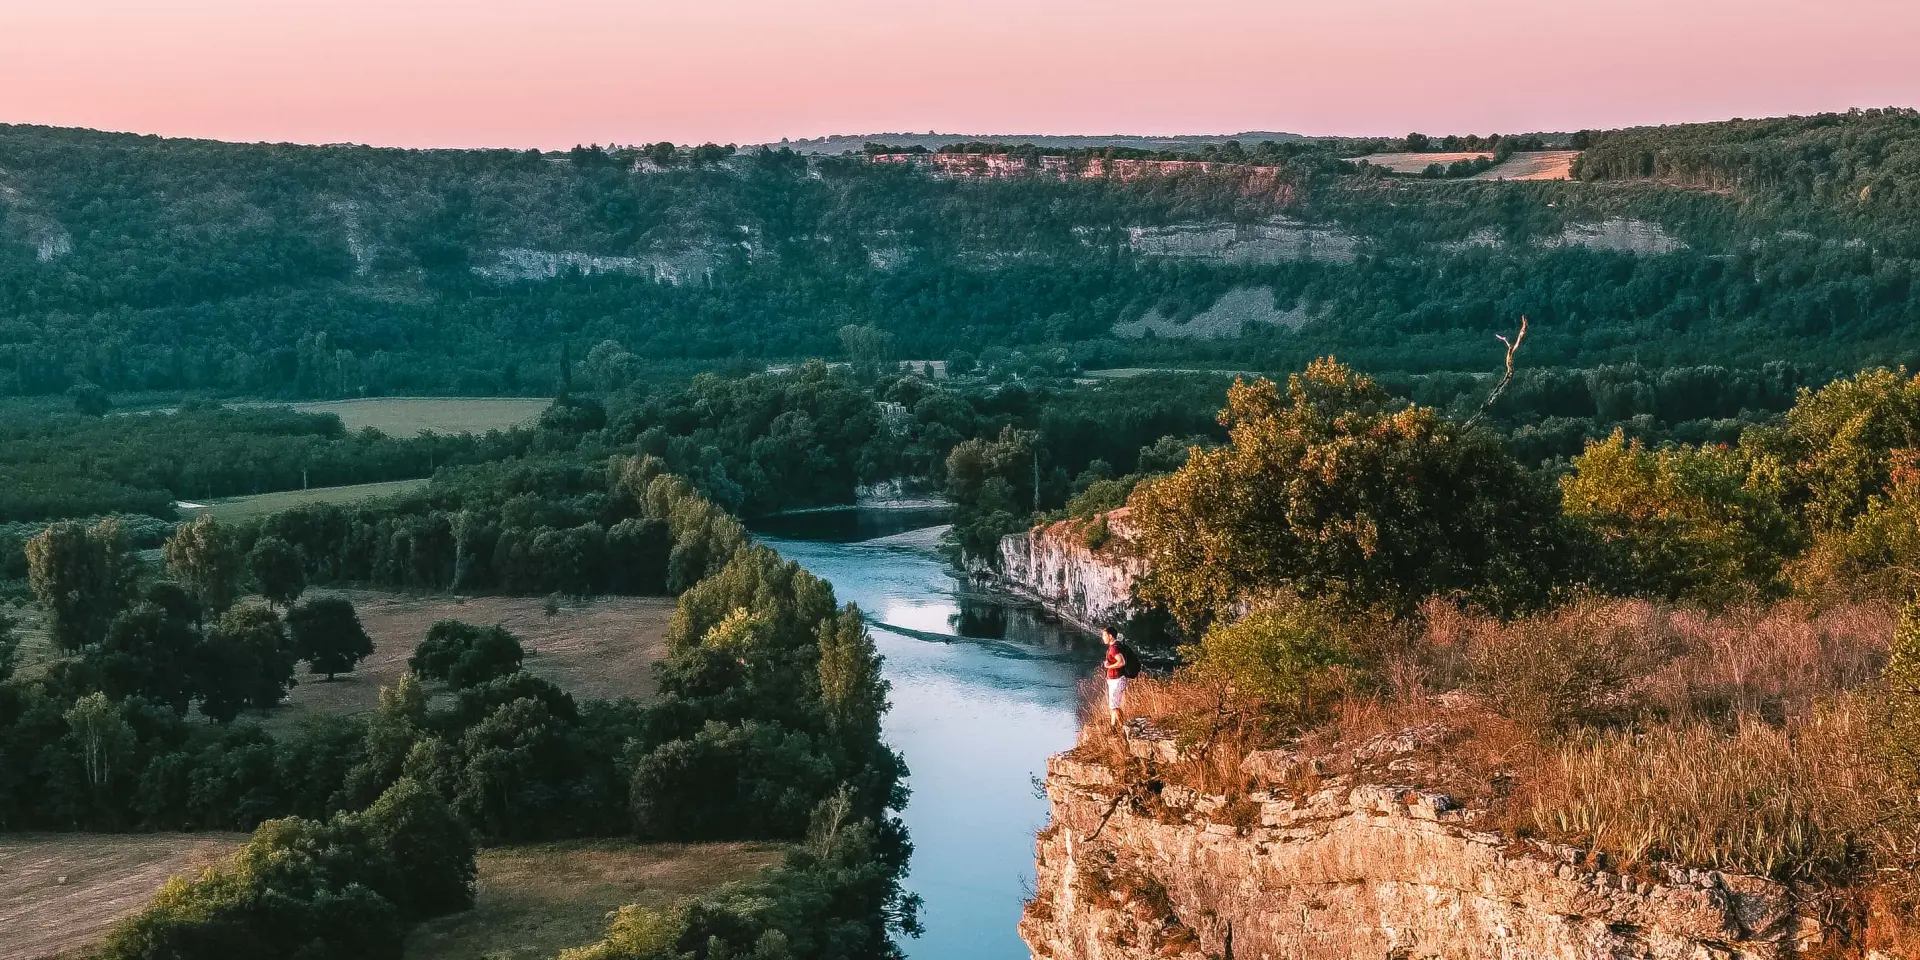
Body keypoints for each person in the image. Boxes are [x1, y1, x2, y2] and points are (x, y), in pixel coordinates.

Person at [1102, 628, 1128, 729]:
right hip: (1118, 679)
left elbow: (1121, 662)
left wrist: (1108, 666)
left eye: (1104, 635)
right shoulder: (1118, 645)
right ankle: (1113, 727)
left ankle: (1123, 728)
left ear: (1110, 636)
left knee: (1114, 707)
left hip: (1116, 679)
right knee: (1113, 706)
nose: (1103, 638)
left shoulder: (1113, 648)